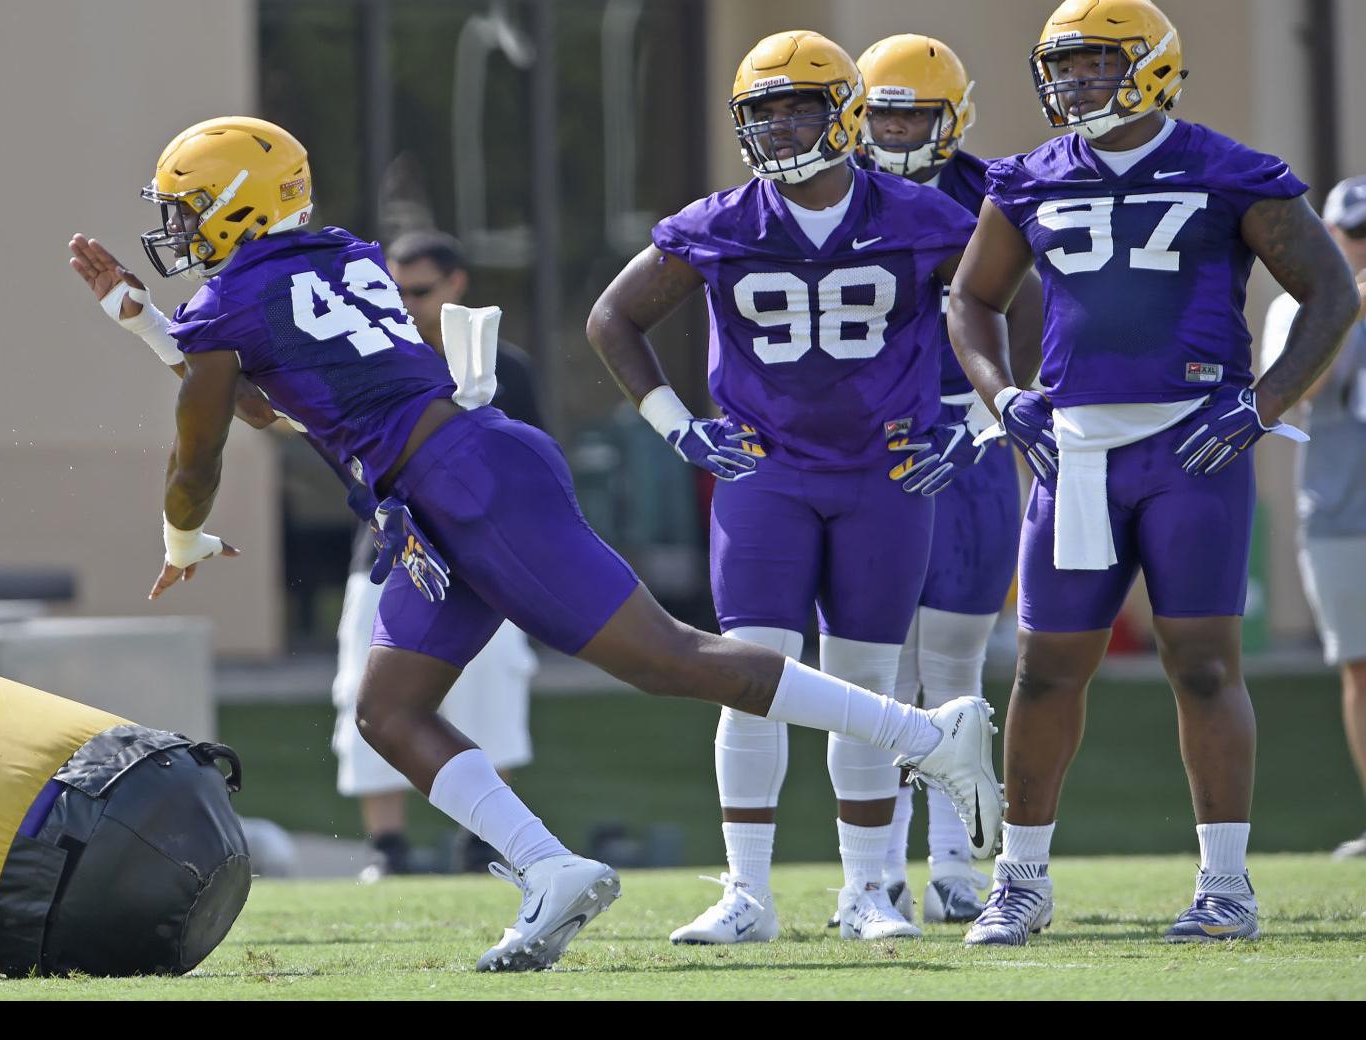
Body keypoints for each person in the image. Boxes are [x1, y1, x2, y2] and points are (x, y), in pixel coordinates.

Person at [69, 115, 1002, 972]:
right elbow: (265, 397)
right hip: (444, 492)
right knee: (388, 708)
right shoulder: (337, 254)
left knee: (667, 658)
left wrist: (181, 533)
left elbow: (204, 449)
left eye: (191, 208)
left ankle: (924, 733)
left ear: (239, 205)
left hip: (465, 485)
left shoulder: (234, 298)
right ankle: (547, 868)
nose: (179, 230)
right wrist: (148, 323)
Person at [586, 30, 1027, 943]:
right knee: (748, 675)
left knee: (862, 679)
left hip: (884, 474)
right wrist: (678, 425)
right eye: (763, 112)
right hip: (768, 476)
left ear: (845, 113)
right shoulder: (717, 222)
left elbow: (1008, 302)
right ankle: (745, 892)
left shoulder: (925, 215)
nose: (780, 128)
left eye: (799, 107)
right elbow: (613, 317)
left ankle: (869, 891)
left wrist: (978, 421)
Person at [946, 0, 1361, 945]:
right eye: (1067, 65)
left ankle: (1223, 887)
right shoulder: (1029, 176)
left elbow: (1329, 290)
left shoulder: (1230, 170)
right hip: (1076, 447)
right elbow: (971, 299)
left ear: (1154, 69)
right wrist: (1000, 397)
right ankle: (1019, 882)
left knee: (1205, 666)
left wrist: (1261, 405)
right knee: (1046, 671)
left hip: (1189, 446)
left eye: (1097, 64)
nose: (1077, 82)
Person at [856, 32, 1044, 925]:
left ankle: (956, 865)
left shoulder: (996, 194)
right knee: (876, 673)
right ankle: (878, 869)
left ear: (953, 118)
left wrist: (982, 417)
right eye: (881, 112)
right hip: (862, 446)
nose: (893, 132)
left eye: (912, 114)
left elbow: (1038, 322)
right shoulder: (829, 193)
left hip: (965, 435)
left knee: (956, 664)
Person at [333, 229, 541, 880]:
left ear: (456, 286)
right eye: (392, 293)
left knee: (489, 692)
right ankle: (386, 849)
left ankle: (484, 844)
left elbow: (526, 463)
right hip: (387, 552)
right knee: (363, 693)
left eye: (418, 291)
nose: (405, 305)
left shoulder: (508, 366)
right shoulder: (370, 361)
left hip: (483, 561)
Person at [1259, 175, 1366, 859]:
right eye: (1353, 234)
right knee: (1358, 667)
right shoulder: (1295, 306)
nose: (1360, 247)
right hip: (1337, 509)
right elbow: (1294, 391)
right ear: (1327, 235)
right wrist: (1346, 307)